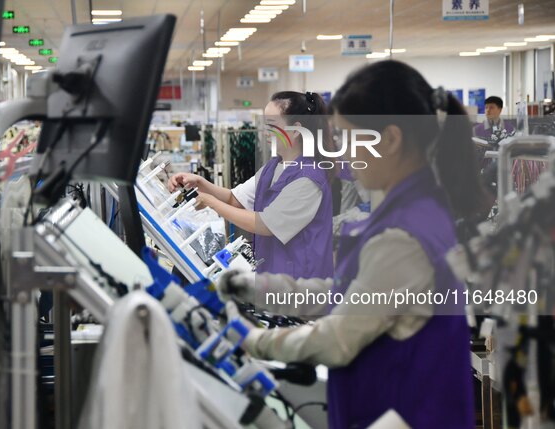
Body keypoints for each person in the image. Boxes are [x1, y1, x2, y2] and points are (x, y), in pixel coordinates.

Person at [219, 60, 488, 428]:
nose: (342, 151)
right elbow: (348, 293)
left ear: (391, 139)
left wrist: (253, 342)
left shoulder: (405, 235)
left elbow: (337, 339)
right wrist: (260, 289)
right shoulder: (412, 209)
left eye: (350, 137)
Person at [168, 91, 334, 279]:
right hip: (275, 277)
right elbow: (234, 198)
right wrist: (199, 183)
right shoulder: (273, 166)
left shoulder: (308, 178)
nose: (264, 131)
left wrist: (211, 202)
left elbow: (265, 225)